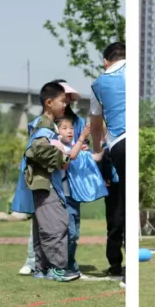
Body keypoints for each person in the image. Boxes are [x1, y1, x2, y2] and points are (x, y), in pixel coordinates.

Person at [20, 80, 81, 276]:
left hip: (44, 184)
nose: (65, 104)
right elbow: (38, 150)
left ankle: (42, 269)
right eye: (62, 100)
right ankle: (57, 269)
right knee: (56, 226)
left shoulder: (45, 125)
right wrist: (63, 158)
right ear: (49, 102)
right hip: (47, 185)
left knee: (44, 228)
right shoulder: (44, 125)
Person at [90, 42, 126, 281]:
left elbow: (95, 125)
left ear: (105, 61)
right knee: (117, 218)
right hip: (113, 180)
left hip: (120, 148)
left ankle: (125, 269)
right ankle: (117, 265)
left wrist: (96, 150)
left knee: (121, 216)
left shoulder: (99, 84)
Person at [55, 114, 106, 277]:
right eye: (64, 128)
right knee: (69, 233)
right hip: (63, 197)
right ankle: (64, 266)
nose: (70, 131)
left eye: (71, 128)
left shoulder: (77, 147)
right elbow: (70, 156)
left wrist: (103, 140)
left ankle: (70, 265)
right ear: (56, 131)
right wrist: (82, 138)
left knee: (74, 234)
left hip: (74, 198)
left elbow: (96, 157)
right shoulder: (57, 145)